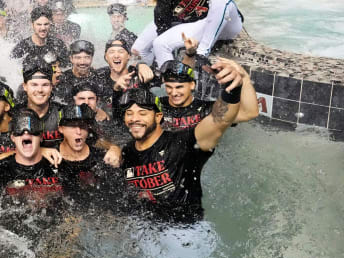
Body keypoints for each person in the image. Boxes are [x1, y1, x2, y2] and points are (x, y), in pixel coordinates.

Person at [120, 63, 243, 222]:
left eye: (142, 113)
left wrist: (234, 88)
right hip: (143, 224)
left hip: (184, 229)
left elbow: (221, 120)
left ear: (158, 117)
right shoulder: (127, 151)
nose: (135, 118)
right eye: (129, 114)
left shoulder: (183, 143)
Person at [133, 0, 243, 68]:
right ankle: (169, 76)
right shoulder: (161, 9)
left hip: (227, 22)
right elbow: (163, 34)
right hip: (201, 25)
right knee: (159, 43)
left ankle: (202, 54)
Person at [0, 109, 64, 199]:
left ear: (40, 137)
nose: (26, 133)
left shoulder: (58, 168)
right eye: (19, 128)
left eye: (32, 128)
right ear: (12, 138)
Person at [159, 54, 258, 131]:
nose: (174, 93)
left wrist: (244, 77)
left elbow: (249, 113)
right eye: (169, 87)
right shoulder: (157, 105)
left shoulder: (206, 110)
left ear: (192, 85)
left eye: (179, 87)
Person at [56, 104, 125, 204]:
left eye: (82, 126)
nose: (78, 132)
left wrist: (115, 148)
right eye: (72, 126)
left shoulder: (103, 158)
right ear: (61, 129)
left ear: (88, 129)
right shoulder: (50, 157)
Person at [13, 60, 63, 148]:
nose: (40, 90)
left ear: (51, 87)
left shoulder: (62, 113)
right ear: (25, 86)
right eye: (34, 85)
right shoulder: (14, 114)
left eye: (45, 85)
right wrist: (42, 152)